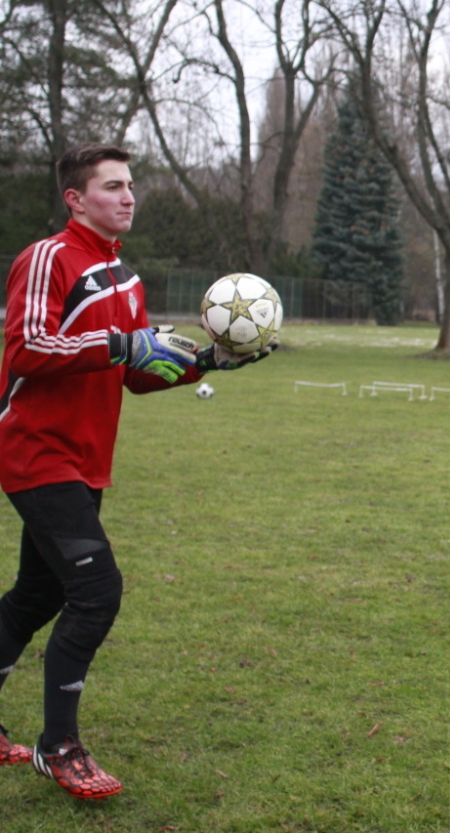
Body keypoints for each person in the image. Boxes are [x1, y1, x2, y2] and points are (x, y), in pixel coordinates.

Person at [0, 142, 273, 799]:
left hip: (87, 461)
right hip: (36, 451)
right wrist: (121, 342)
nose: (128, 196)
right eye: (112, 186)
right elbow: (26, 347)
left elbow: (133, 376)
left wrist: (207, 361)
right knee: (96, 592)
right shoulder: (48, 258)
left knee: (37, 596)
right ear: (75, 198)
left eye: (130, 186)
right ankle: (57, 745)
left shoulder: (124, 278)